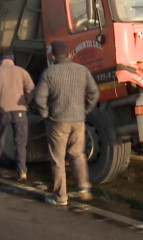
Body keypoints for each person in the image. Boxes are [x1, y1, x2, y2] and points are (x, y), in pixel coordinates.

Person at [34, 40, 99, 206]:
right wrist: (85, 110)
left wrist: (45, 114)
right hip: (78, 120)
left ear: (53, 56)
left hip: (57, 122)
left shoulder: (49, 73)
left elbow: (40, 99)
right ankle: (84, 186)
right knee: (77, 154)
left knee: (58, 160)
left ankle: (61, 197)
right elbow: (94, 93)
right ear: (69, 55)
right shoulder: (82, 70)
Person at [0, 48, 35, 181]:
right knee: (20, 142)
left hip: (2, 111)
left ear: (1, 59)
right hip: (20, 111)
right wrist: (26, 102)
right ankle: (22, 171)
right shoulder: (22, 72)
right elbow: (31, 89)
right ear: (12, 59)